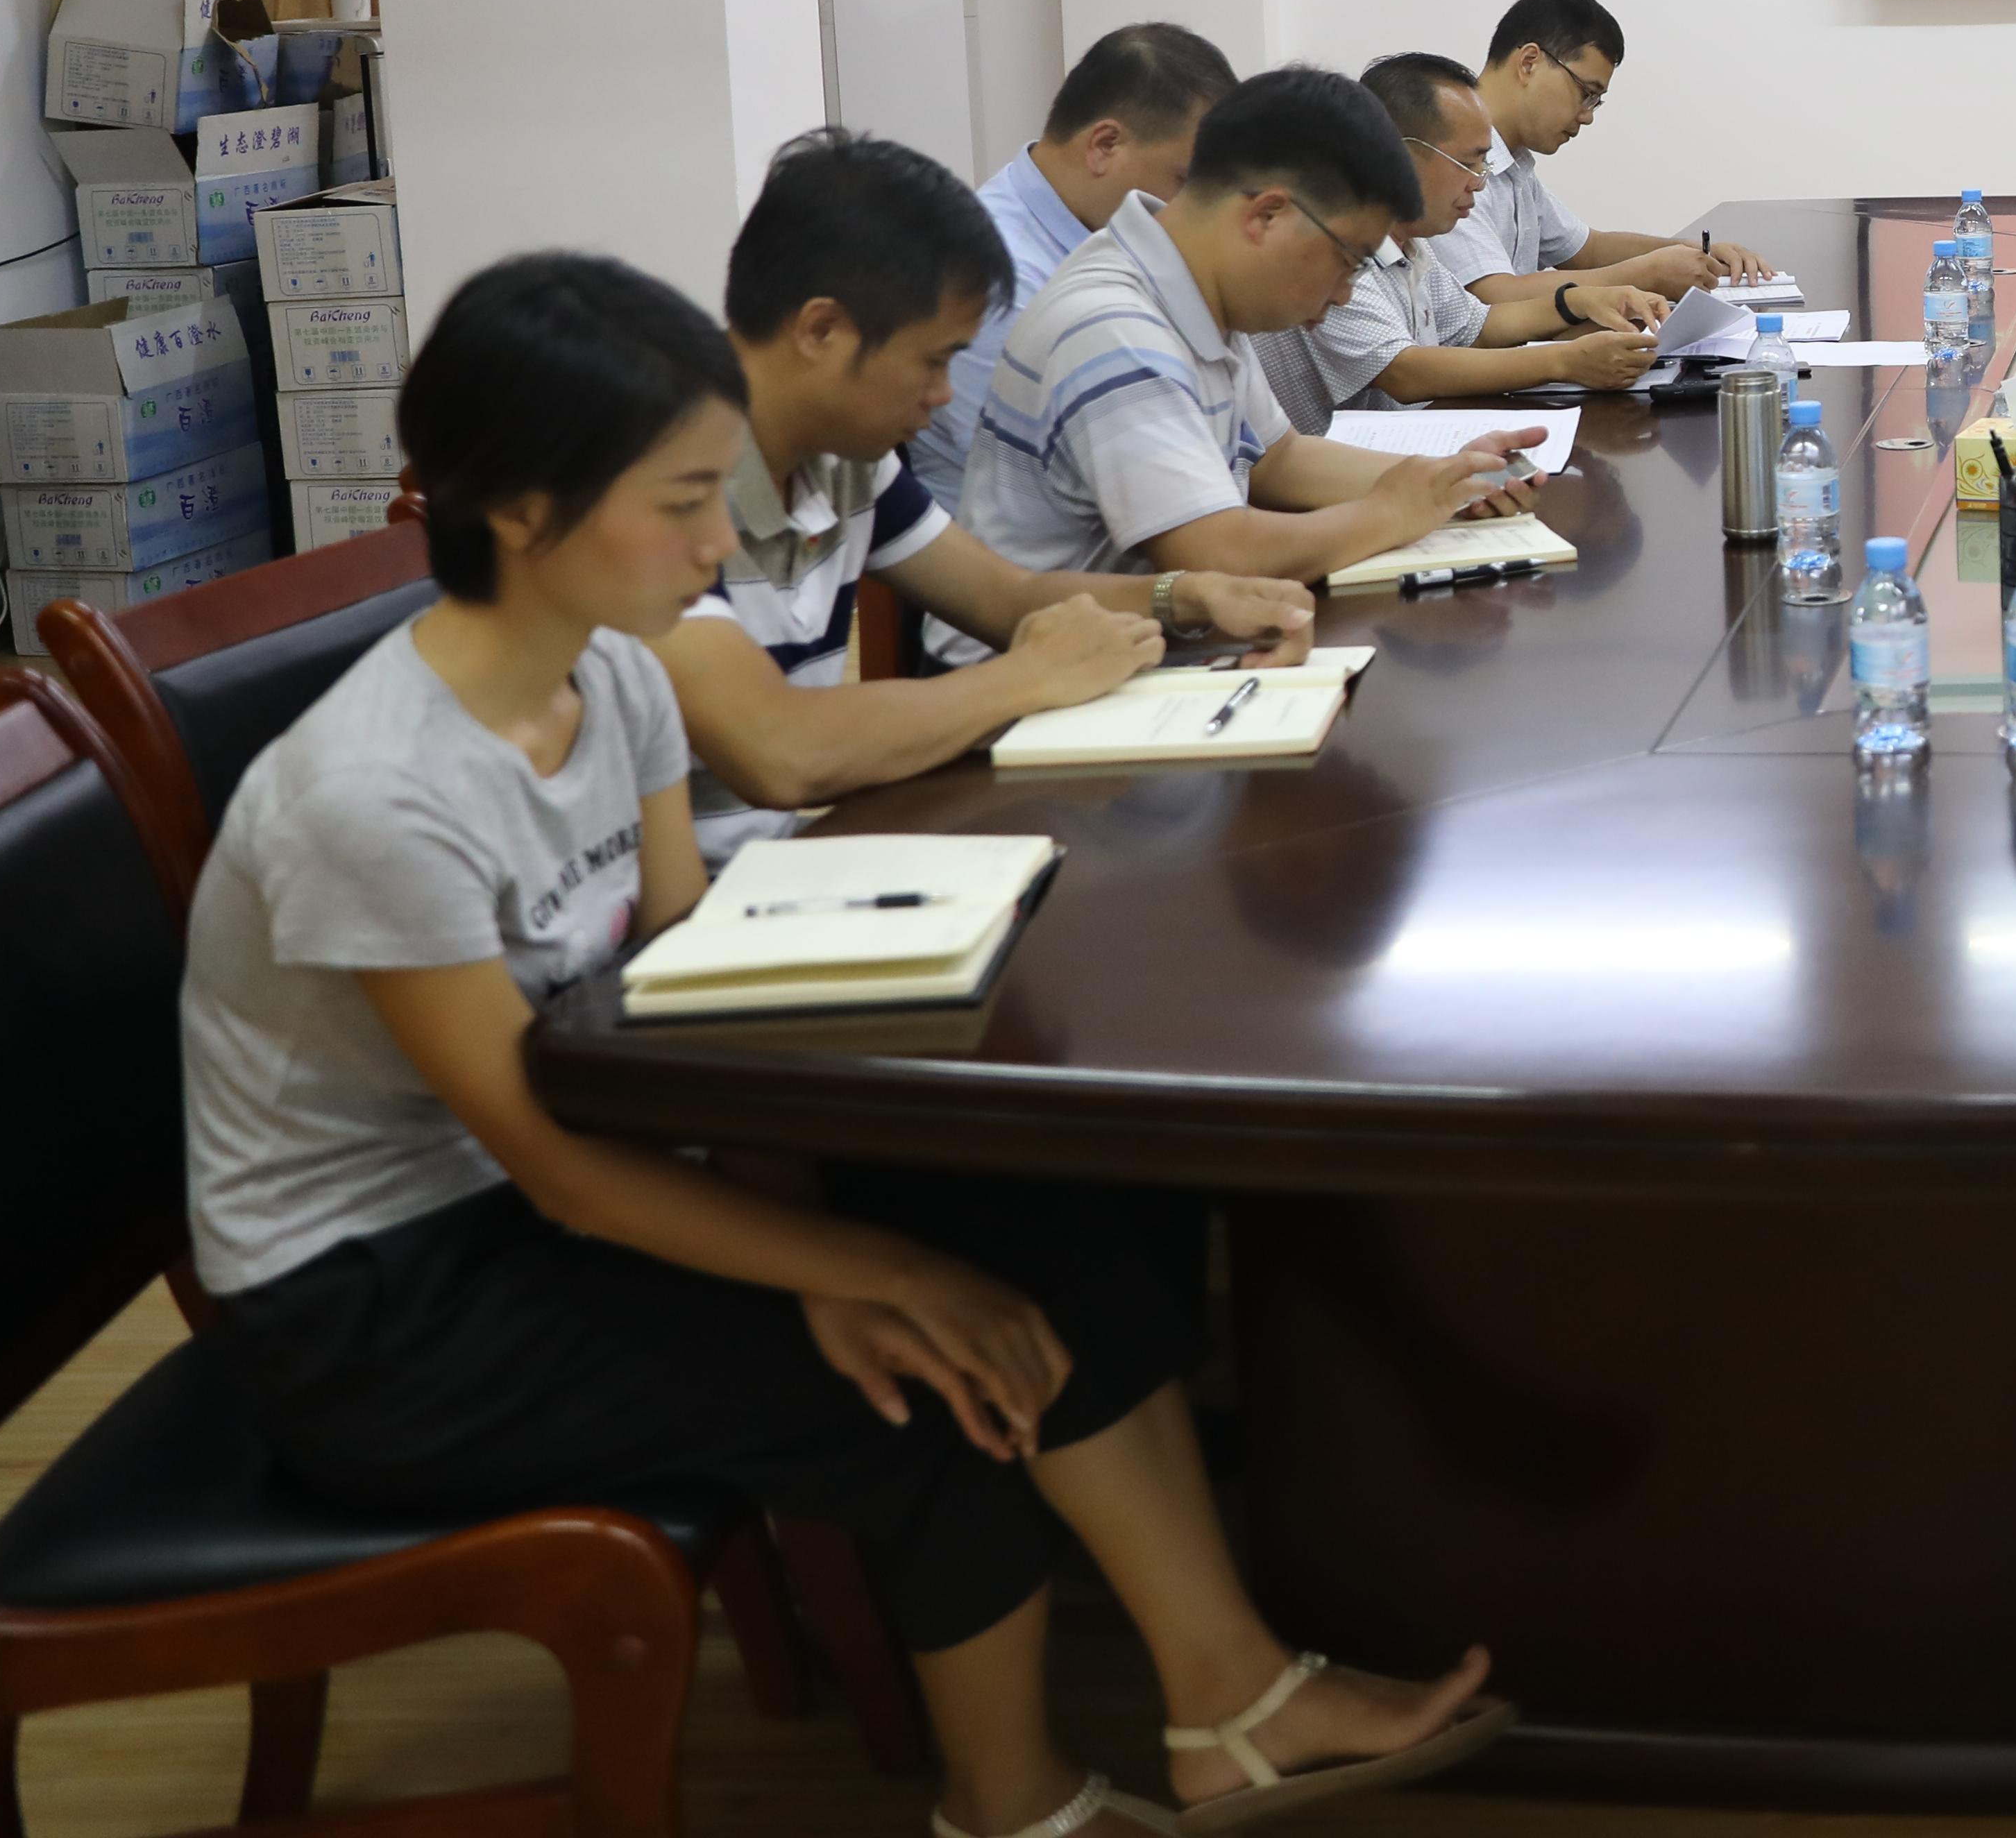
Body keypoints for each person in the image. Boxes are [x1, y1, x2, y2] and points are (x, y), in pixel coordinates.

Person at [181, 253, 1513, 1838]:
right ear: (525, 513)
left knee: (1029, 1214)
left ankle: (1230, 1697)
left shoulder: (610, 679)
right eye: (680, 505)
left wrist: (883, 1209)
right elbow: (560, 1170)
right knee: (920, 1378)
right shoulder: (374, 795)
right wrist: (868, 1271)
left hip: (568, 1176)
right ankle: (1009, 1802)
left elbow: (683, 1006)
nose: (714, 544)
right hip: (376, 1300)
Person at [655, 131, 1321, 831]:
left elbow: (1008, 596)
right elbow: (782, 750)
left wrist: (1188, 596)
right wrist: (1027, 677)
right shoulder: (658, 487)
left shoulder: (846, 458)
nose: (944, 395)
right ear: (822, 330)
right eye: (932, 361)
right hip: (694, 909)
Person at [967, 67, 1536, 590]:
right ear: (1267, 215)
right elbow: (1217, 554)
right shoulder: (1114, 326)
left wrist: (1448, 479)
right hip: (1051, 678)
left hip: (1154, 645)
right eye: (1348, 260)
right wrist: (1391, 512)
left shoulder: (1192, 289)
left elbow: (1279, 462)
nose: (1343, 293)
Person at [1255, 52, 1668, 432]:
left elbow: (1476, 327)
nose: (1479, 182)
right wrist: (1564, 361)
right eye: (1467, 163)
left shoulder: (1414, 244)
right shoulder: (1335, 249)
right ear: (1399, 156)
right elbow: (1405, 372)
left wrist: (1576, 303)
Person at [914, 24, 1238, 492]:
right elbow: (1057, 482)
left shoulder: (1119, 240)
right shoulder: (997, 275)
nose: (1196, 209)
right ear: (1105, 145)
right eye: (1185, 181)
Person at [1429, 0, 1781, 304]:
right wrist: (1648, 275)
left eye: (1596, 101)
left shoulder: (1514, 162)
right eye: (1586, 94)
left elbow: (1589, 248)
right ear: (1529, 63)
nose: (1588, 116)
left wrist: (1693, 253)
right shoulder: (1448, 160)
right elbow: (1494, 296)